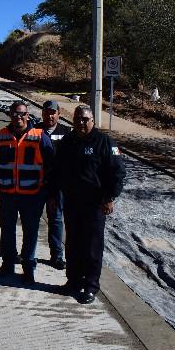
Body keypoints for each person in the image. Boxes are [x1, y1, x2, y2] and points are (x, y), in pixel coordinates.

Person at [49, 105, 126, 304]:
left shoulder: (105, 142)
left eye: (85, 119)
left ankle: (91, 286)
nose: (81, 123)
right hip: (72, 203)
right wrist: (54, 193)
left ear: (92, 120)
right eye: (78, 119)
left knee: (92, 247)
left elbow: (117, 173)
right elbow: (58, 169)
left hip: (95, 205)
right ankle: (73, 281)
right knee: (73, 244)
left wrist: (109, 197)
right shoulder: (69, 141)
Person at [0, 100, 54, 284]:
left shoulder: (39, 135)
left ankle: (28, 267)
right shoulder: (1, 135)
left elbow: (51, 165)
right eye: (14, 114)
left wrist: (47, 191)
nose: (18, 117)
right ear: (10, 115)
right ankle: (8, 263)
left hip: (32, 195)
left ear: (28, 116)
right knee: (7, 230)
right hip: (8, 194)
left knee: (31, 232)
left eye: (22, 114)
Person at [35, 100, 70, 270]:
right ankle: (28, 253)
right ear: (42, 113)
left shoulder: (66, 132)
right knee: (32, 219)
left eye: (53, 112)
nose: (50, 115)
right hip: (36, 184)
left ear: (58, 114)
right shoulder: (34, 130)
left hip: (57, 186)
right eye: (47, 112)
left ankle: (57, 255)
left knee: (55, 220)